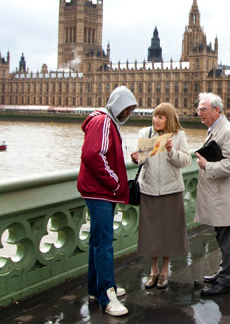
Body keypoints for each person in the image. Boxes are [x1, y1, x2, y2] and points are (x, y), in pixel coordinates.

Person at [78, 86, 136, 317]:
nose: (128, 113)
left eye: (131, 109)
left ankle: (96, 288)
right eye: (127, 108)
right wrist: (115, 183)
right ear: (117, 104)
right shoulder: (103, 121)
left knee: (97, 241)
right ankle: (106, 296)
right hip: (99, 192)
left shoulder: (108, 122)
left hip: (99, 192)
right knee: (104, 244)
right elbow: (92, 155)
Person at [129, 103, 190, 290]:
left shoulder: (178, 135)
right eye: (155, 116)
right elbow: (141, 160)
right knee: (151, 233)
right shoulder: (145, 133)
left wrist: (171, 151)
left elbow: (186, 161)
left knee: (169, 232)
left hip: (171, 189)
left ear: (169, 119)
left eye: (160, 117)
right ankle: (153, 270)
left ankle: (164, 271)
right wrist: (136, 158)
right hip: (149, 189)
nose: (156, 120)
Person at [194, 92, 230, 297]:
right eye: (198, 109)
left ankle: (226, 283)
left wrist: (207, 165)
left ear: (217, 110)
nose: (199, 113)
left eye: (203, 110)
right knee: (222, 237)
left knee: (229, 241)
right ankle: (223, 273)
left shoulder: (227, 131)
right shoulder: (216, 128)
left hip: (225, 197)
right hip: (219, 195)